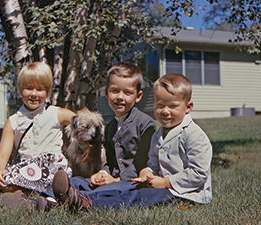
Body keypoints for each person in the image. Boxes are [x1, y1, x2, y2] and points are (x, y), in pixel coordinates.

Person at [51, 73, 212, 210]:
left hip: (183, 193)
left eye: (173, 106)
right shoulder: (159, 134)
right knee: (97, 183)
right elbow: (153, 162)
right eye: (160, 105)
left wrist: (165, 182)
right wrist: (147, 172)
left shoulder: (193, 135)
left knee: (133, 195)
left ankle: (87, 202)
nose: (165, 111)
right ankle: (50, 195)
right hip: (155, 184)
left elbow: (199, 174)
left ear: (188, 107)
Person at [40, 62, 156, 209]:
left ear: (138, 96)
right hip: (112, 179)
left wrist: (116, 179)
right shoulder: (109, 127)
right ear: (106, 93)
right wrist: (102, 172)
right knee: (77, 180)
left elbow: (142, 162)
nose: (120, 97)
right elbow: (110, 160)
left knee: (111, 191)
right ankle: (47, 197)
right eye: (115, 91)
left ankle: (75, 200)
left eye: (127, 92)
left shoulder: (145, 124)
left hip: (132, 181)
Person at [0, 62, 75, 199]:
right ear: (20, 90)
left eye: (40, 89)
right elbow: (0, 157)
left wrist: (90, 146)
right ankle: (21, 192)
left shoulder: (56, 113)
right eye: (28, 88)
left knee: (34, 174)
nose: (34, 94)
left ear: (47, 91)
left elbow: (82, 123)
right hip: (26, 167)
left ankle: (18, 191)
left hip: (50, 167)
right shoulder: (13, 121)